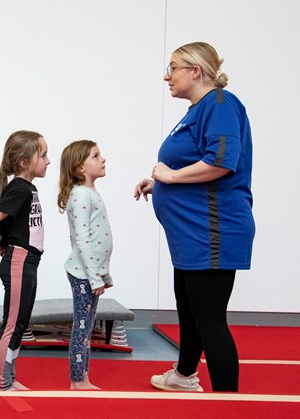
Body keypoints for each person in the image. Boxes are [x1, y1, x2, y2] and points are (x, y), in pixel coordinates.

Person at [133, 42, 254, 392]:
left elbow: (221, 162)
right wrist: (162, 184)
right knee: (189, 310)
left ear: (195, 72)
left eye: (173, 67)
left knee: (210, 319)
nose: (166, 76)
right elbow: (195, 163)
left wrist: (171, 177)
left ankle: (228, 401)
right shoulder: (198, 109)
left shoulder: (219, 104)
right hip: (191, 232)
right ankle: (185, 375)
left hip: (212, 232)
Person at [0, 130, 49, 391]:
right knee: (12, 324)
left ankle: (9, 377)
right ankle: (2, 382)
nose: (47, 161)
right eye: (42, 155)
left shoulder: (26, 188)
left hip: (28, 261)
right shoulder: (19, 187)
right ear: (23, 162)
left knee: (20, 323)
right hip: (19, 261)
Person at [58, 140, 113, 390]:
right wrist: (94, 278)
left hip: (90, 274)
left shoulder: (90, 193)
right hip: (82, 275)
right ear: (81, 167)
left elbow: (99, 237)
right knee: (82, 327)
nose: (102, 159)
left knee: (87, 326)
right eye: (95, 156)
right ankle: (77, 380)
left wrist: (104, 274)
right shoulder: (80, 195)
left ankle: (83, 378)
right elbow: (82, 239)